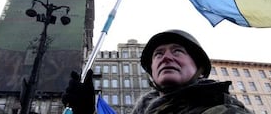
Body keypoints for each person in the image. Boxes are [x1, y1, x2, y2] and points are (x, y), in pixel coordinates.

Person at [62, 29, 253, 114]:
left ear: (200, 69)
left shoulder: (222, 109)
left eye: (177, 51)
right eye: (158, 54)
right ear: (151, 73)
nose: (166, 57)